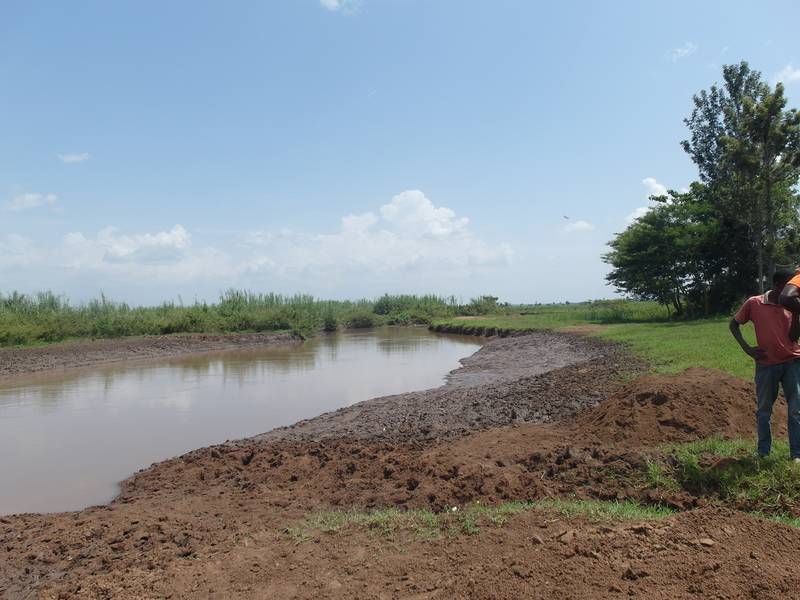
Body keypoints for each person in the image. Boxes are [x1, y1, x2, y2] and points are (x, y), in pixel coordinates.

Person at [730, 269, 800, 460]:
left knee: (795, 410)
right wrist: (747, 349)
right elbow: (733, 324)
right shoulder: (755, 303)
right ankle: (763, 453)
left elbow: (793, 338)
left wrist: (796, 313)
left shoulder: (792, 305)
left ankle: (796, 454)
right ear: (779, 286)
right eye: (790, 287)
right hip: (767, 364)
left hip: (792, 362)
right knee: (764, 410)